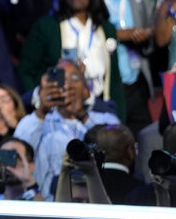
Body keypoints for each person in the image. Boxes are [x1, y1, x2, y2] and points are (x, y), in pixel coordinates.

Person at [18, 0, 126, 120]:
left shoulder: (106, 29)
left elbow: (114, 80)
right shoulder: (47, 26)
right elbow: (26, 70)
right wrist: (40, 100)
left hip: (98, 109)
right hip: (56, 112)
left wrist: (119, 119)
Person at [14, 59, 121, 199]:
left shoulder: (105, 119)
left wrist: (83, 116)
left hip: (96, 201)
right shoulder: (39, 120)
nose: (67, 84)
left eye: (74, 78)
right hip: (48, 203)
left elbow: (116, 147)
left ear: (86, 89)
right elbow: (18, 150)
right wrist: (42, 111)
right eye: (60, 79)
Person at [88, 0, 156, 135]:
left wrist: (145, 35)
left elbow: (151, 25)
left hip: (137, 82)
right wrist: (121, 35)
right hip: (106, 86)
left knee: (144, 139)